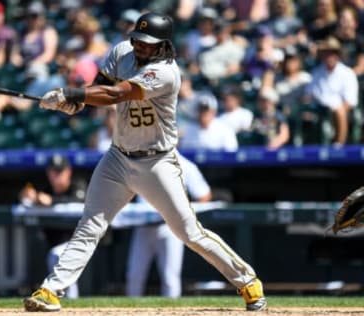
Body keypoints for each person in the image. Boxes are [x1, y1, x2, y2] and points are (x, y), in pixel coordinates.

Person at [23, 12, 266, 312]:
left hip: (157, 162)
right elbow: (101, 87)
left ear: (163, 46)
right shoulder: (121, 52)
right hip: (118, 157)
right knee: (89, 226)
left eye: (148, 43)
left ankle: (248, 280)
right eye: (138, 40)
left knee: (189, 232)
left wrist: (71, 93)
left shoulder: (166, 72)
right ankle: (50, 290)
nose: (140, 46)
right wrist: (74, 103)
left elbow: (115, 94)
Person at [126, 153, 212, 298]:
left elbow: (204, 196)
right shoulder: (141, 163)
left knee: (170, 277)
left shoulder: (185, 165)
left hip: (171, 228)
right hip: (143, 226)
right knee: (134, 275)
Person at [19, 153, 87, 299]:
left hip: (81, 241)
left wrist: (53, 201)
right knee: (52, 252)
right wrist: (29, 197)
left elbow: (78, 200)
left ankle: (71, 301)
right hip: (55, 242)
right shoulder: (45, 189)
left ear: (68, 171)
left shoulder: (77, 185)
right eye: (53, 171)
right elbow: (25, 199)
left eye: (59, 171)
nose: (56, 176)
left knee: (58, 255)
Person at [305, 36, 359, 145]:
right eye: (326, 53)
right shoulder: (317, 73)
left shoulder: (347, 73)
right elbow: (308, 95)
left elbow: (350, 101)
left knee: (339, 110)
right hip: (318, 109)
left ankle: (339, 145)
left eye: (332, 53)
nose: (329, 57)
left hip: (339, 110)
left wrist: (335, 111)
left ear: (338, 55)